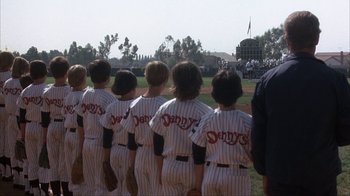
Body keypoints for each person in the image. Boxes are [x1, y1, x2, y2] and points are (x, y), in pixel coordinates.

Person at [251, 11, 350, 196]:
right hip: (321, 176)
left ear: (287, 39)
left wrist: (264, 172)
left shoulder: (267, 81)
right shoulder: (335, 80)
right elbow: (346, 132)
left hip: (281, 176)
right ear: (317, 38)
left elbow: (258, 137)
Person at [149, 61, 213, 195]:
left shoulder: (165, 108)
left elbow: (157, 144)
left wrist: (160, 170)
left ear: (175, 82)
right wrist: (199, 182)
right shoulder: (206, 112)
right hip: (193, 168)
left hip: (169, 166)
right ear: (197, 83)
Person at [190, 69, 252, 195]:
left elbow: (198, 154)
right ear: (238, 92)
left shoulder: (206, 119)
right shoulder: (248, 122)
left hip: (211, 174)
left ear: (214, 93)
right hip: (237, 175)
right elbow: (256, 154)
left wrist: (198, 185)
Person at [120, 61, 169, 195]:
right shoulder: (165, 106)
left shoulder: (134, 104)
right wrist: (160, 169)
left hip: (140, 156)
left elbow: (130, 140)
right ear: (165, 79)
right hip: (158, 158)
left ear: (146, 77)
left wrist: (131, 165)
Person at [76, 59, 115, 195]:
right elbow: (109, 129)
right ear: (108, 78)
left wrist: (81, 146)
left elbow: (79, 121)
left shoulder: (85, 94)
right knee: (102, 186)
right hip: (101, 144)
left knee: (90, 183)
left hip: (87, 142)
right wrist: (107, 156)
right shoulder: (109, 99)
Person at [100, 70, 137, 195]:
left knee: (114, 191)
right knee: (129, 191)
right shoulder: (136, 106)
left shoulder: (111, 107)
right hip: (130, 153)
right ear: (133, 88)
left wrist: (105, 160)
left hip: (114, 152)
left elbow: (107, 136)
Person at [17, 60, 51, 195]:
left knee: (31, 162)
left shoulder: (25, 91)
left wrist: (22, 135)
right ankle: (43, 191)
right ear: (45, 72)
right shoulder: (47, 89)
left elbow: (21, 115)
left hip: (29, 128)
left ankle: (34, 190)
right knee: (43, 162)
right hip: (43, 128)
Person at [41, 56, 71, 196]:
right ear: (67, 72)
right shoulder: (70, 91)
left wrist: (44, 138)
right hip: (65, 128)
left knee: (53, 164)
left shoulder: (47, 92)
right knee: (64, 165)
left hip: (52, 127)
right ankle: (65, 192)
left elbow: (44, 117)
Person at [3, 57, 29, 190]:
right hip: (20, 120)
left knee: (13, 148)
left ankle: (16, 179)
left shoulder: (7, 82)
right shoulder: (23, 83)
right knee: (22, 149)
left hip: (10, 118)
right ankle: (24, 181)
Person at [62, 64, 87, 195]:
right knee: (79, 172)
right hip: (79, 136)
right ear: (83, 79)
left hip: (68, 135)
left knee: (70, 169)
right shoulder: (83, 96)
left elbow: (63, 114)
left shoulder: (68, 96)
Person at [0, 51, 14, 181]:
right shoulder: (11, 76)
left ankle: (2, 170)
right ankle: (10, 172)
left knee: (0, 140)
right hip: (9, 110)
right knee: (9, 142)